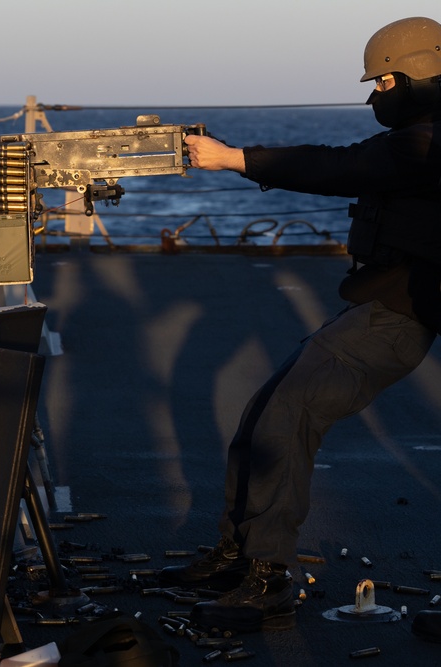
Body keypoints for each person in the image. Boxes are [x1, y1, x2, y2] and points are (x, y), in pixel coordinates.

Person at [157, 16, 441, 634]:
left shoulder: (428, 141)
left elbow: (340, 166)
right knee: (265, 413)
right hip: (381, 302)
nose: (375, 95)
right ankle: (236, 555)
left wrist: (232, 158)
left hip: (402, 314)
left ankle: (268, 577)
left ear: (421, 75)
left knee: (288, 415)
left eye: (387, 80)